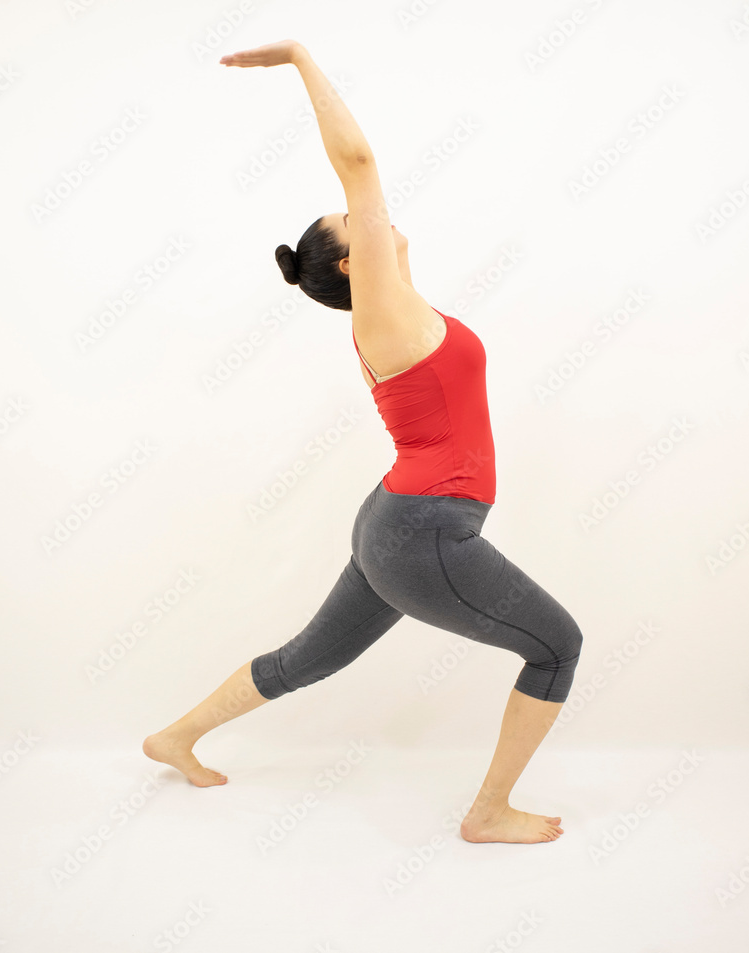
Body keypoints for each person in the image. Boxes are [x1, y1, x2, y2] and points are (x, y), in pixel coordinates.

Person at [143, 40, 583, 845]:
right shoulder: (378, 309)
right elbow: (358, 158)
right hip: (425, 531)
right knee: (558, 646)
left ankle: (175, 737)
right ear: (352, 262)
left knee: (307, 659)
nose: (372, 215)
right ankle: (488, 812)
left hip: (397, 523)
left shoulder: (400, 311)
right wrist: (302, 61)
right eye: (357, 221)